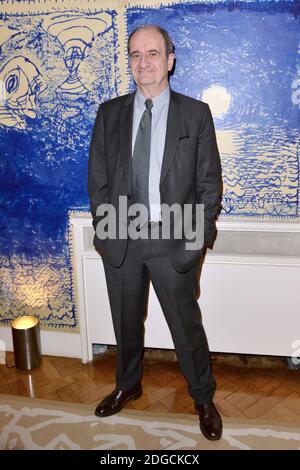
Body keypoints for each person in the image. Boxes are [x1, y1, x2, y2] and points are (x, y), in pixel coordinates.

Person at [88, 24, 223, 441]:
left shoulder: (194, 114)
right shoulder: (108, 113)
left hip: (174, 240)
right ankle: (128, 384)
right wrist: (105, 229)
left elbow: (208, 188)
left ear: (169, 60)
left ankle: (202, 395)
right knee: (125, 323)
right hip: (121, 238)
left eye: (152, 53)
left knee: (186, 327)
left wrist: (191, 246)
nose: (142, 62)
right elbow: (98, 181)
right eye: (134, 54)